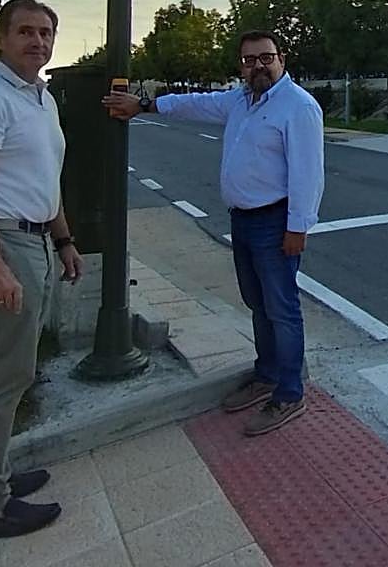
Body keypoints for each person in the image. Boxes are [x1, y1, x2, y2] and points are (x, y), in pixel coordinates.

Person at [103, 30, 324, 435]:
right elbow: (195, 103)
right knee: (257, 304)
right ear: (241, 65)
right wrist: (145, 105)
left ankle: (289, 394)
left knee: (282, 308)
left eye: (266, 58)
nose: (257, 66)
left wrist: (298, 227)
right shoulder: (240, 100)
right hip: (243, 220)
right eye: (249, 60)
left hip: (275, 223)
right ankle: (267, 374)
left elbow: (309, 174)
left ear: (282, 58)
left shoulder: (298, 107)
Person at [0, 0, 83, 541]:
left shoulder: (39, 100)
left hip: (34, 240)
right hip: (2, 241)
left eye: (47, 32)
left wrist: (65, 239)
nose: (38, 41)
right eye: (26, 31)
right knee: (7, 374)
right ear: (0, 39)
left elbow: (45, 181)